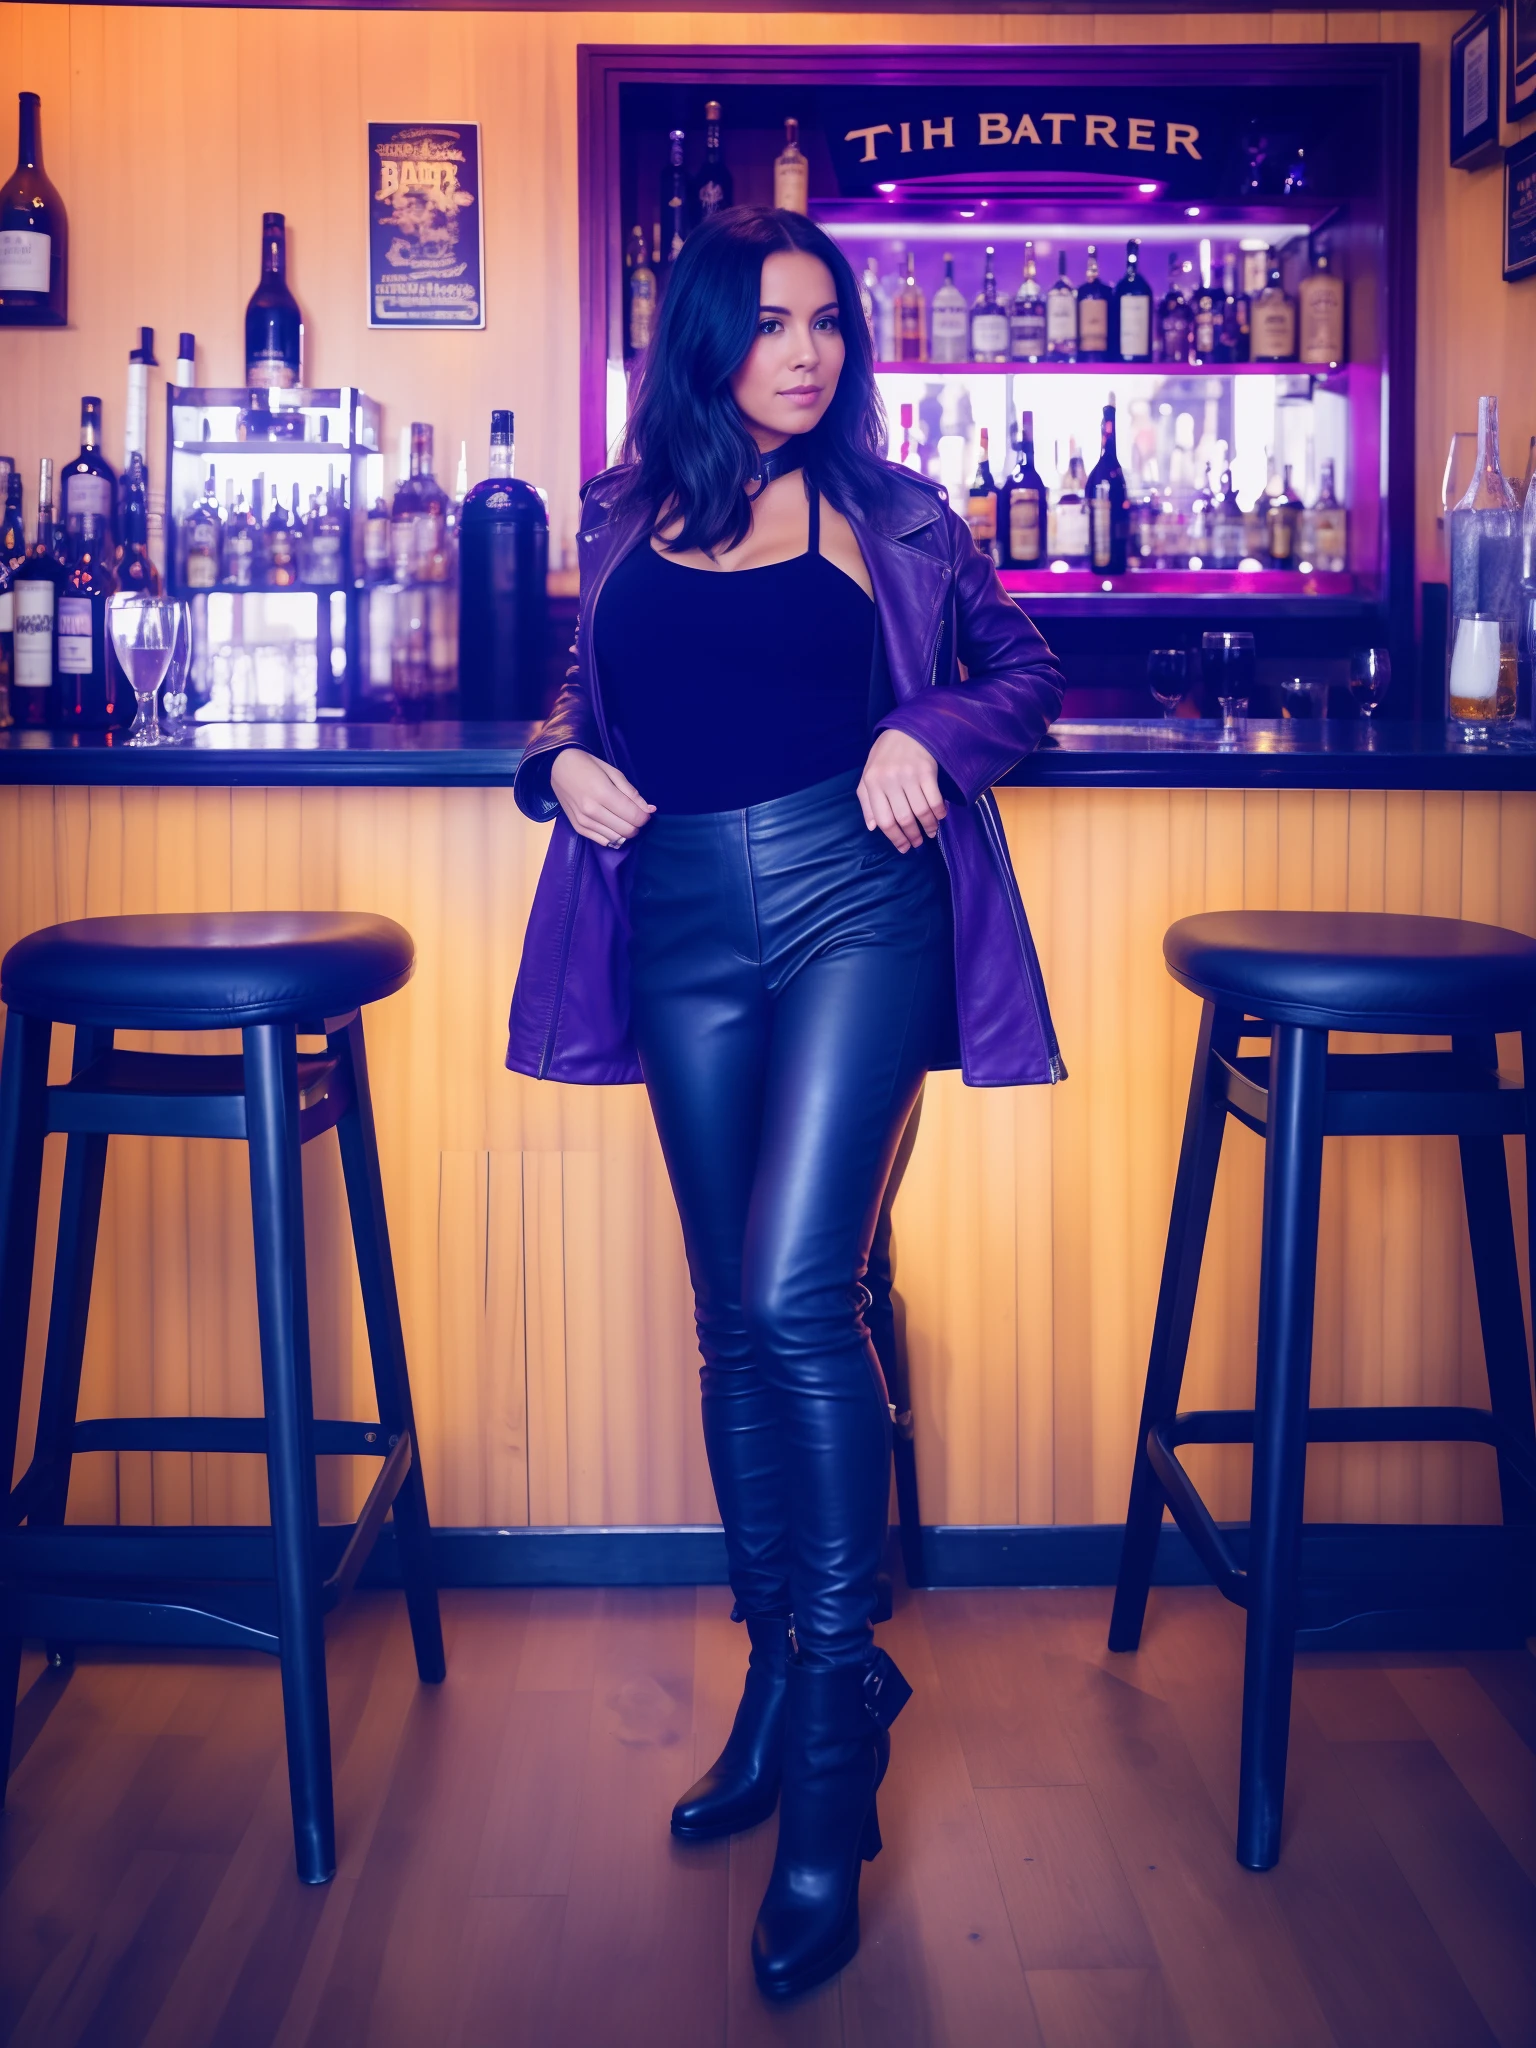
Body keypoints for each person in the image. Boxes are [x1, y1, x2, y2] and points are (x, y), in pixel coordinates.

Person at [508, 205, 1065, 2002]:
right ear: (703, 342)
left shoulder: (898, 516)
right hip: (675, 920)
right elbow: (565, 710)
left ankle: (834, 1761)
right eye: (769, 323)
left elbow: (1024, 678)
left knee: (795, 1299)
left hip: (854, 905)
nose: (807, 352)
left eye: (828, 321)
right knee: (726, 1322)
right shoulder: (616, 514)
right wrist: (563, 766)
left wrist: (934, 735)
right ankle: (773, 1677)